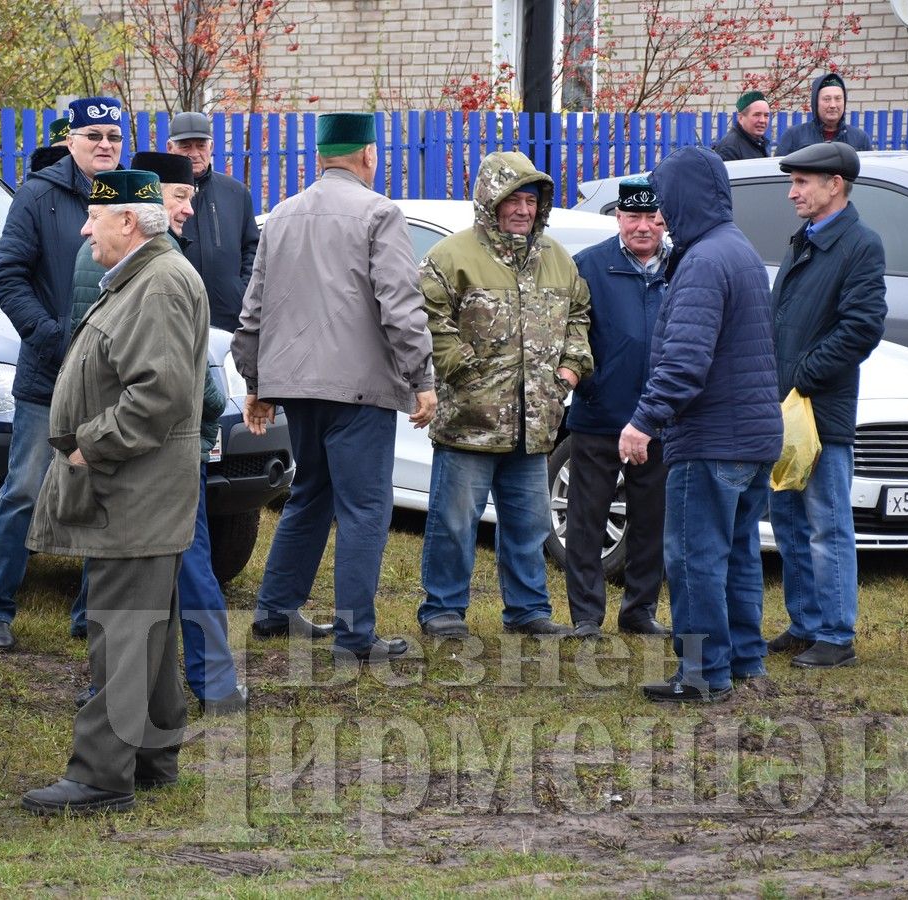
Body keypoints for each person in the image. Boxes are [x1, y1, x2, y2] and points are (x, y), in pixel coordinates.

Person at [21, 169, 207, 814]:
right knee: (145, 624)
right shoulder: (146, 276)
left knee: (121, 629)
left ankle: (101, 775)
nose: (83, 228)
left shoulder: (156, 283)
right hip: (138, 486)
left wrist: (89, 443)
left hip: (135, 484)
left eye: (94, 218)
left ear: (128, 221)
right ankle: (153, 755)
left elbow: (159, 393)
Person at [232, 112, 435, 664]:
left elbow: (253, 309)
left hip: (297, 386)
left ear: (319, 157)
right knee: (365, 508)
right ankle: (355, 637)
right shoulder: (380, 213)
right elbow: (399, 304)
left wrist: (256, 382)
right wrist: (422, 377)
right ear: (369, 154)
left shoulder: (283, 215)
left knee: (311, 494)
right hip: (360, 389)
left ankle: (275, 609)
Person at [68, 149, 246, 714]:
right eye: (178, 197)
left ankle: (120, 684)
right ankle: (209, 683)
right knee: (178, 561)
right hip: (148, 445)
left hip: (125, 440)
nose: (189, 209)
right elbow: (176, 383)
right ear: (140, 210)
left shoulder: (150, 266)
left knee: (122, 561)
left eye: (192, 197)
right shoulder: (140, 266)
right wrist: (209, 422)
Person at [621, 146, 782, 704]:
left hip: (712, 440)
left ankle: (701, 675)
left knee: (693, 559)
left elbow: (685, 362)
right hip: (753, 439)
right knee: (737, 555)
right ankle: (744, 662)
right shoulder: (738, 250)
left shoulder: (703, 262)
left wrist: (643, 421)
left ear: (686, 197)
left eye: (665, 201)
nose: (659, 215)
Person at [415, 151, 593, 640]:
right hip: (469, 422)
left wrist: (569, 371)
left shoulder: (557, 258)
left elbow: (578, 316)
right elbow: (428, 320)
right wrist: (464, 373)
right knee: (454, 524)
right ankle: (443, 610)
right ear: (489, 201)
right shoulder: (451, 257)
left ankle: (527, 610)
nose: (522, 209)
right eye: (511, 198)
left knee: (529, 525)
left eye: (530, 199)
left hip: (535, 424)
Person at [0, 96, 123, 651]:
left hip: (111, 375)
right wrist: (49, 334)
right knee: (23, 491)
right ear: (70, 141)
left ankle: (89, 613)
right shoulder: (38, 194)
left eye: (112, 135)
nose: (104, 145)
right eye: (93, 136)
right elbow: (8, 275)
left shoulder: (131, 193)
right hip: (48, 373)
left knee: (101, 491)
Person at [768, 143, 886, 669]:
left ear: (834, 184)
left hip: (819, 410)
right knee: (789, 518)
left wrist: (802, 376)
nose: (793, 191)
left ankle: (836, 635)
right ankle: (806, 624)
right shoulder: (805, 241)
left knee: (826, 522)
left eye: (802, 182)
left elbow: (862, 328)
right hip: (787, 407)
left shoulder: (860, 244)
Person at [564, 176, 669, 639]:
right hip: (600, 415)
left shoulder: (682, 266)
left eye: (652, 218)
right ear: (618, 218)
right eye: (634, 217)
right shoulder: (589, 267)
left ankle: (639, 610)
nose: (643, 227)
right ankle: (587, 616)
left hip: (660, 419)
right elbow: (570, 337)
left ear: (664, 221)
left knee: (652, 519)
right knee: (587, 519)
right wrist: (591, 385)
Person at [165, 111, 259, 331]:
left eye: (201, 145)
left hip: (230, 320)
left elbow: (252, 249)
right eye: (185, 146)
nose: (194, 153)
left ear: (211, 146)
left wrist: (241, 292)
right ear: (170, 148)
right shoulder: (159, 193)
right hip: (176, 318)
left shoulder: (235, 192)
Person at [775, 73, 872, 155]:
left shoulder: (860, 139)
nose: (833, 105)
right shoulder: (794, 136)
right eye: (827, 99)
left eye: (838, 99)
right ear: (815, 102)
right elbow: (778, 173)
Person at [714, 91, 772, 162]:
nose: (762, 120)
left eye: (766, 115)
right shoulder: (730, 148)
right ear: (741, 118)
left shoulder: (760, 142)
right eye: (757, 115)